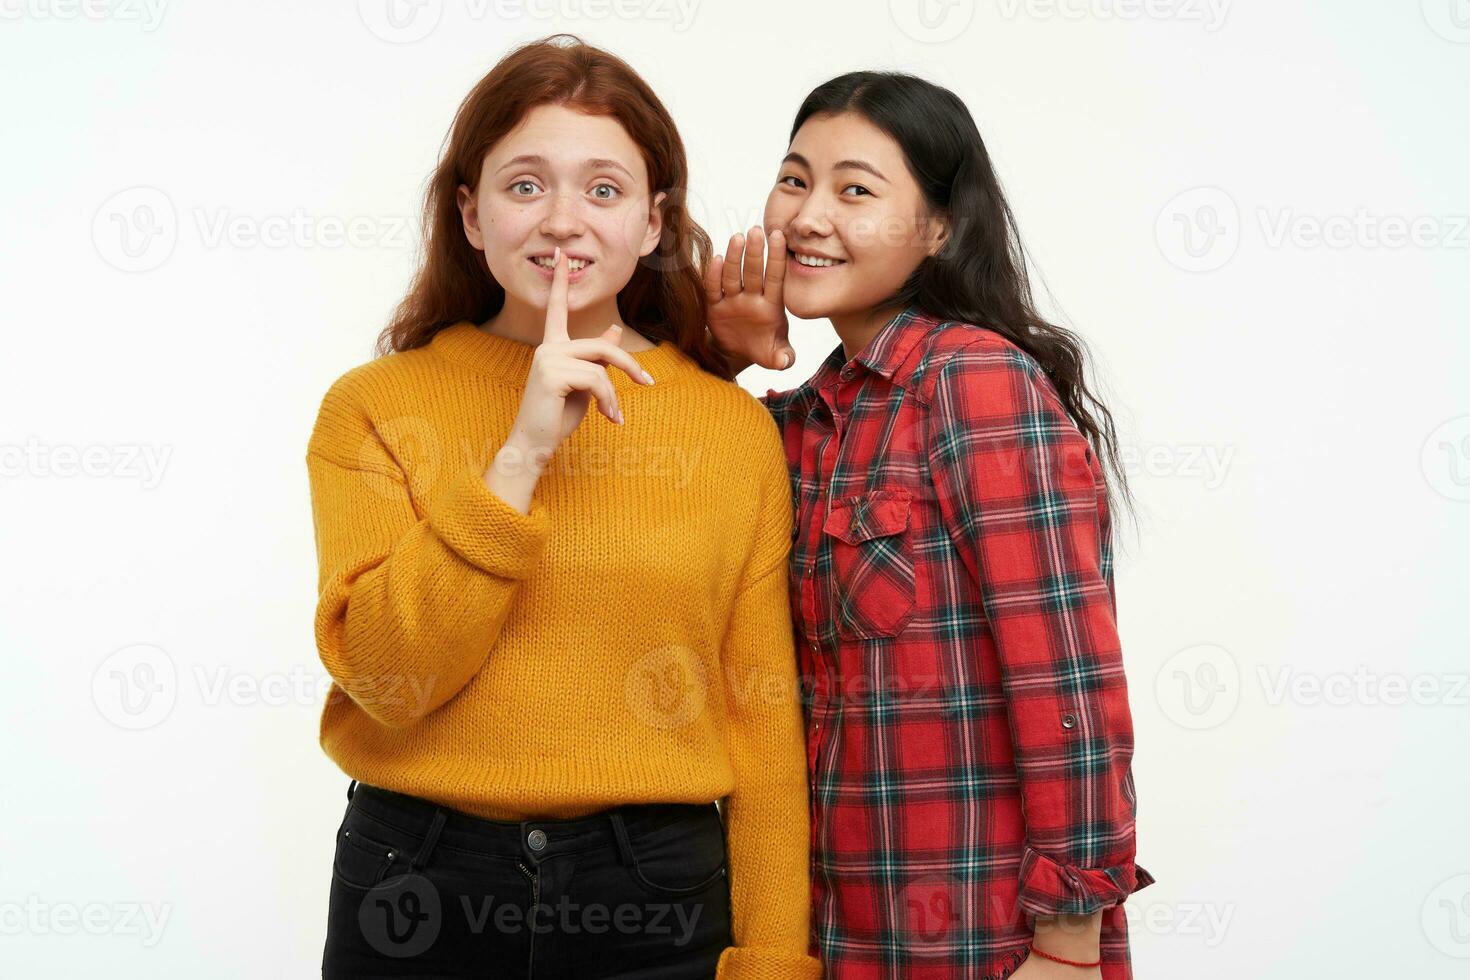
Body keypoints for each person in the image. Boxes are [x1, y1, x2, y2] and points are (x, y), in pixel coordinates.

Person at [306, 35, 820, 979]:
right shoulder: (374, 407)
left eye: (605, 190)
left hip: (657, 895)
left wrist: (775, 960)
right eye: (526, 185)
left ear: (655, 223)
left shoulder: (730, 430)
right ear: (470, 213)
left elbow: (759, 723)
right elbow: (386, 677)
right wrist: (523, 452)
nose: (564, 222)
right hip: (417, 885)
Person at [705, 70, 1155, 980]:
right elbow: (664, 487)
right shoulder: (806, 418)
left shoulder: (975, 383)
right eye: (795, 179)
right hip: (833, 929)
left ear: (940, 229)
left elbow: (1064, 674)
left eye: (855, 191)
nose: (808, 215)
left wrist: (1068, 942)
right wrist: (723, 356)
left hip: (980, 939)